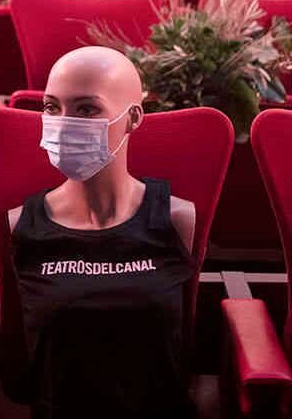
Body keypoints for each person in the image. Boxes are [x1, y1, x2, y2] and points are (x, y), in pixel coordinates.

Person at [10, 45, 197, 419]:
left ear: (133, 119)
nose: (64, 123)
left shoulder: (178, 218)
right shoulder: (19, 223)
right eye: (51, 107)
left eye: (86, 109)